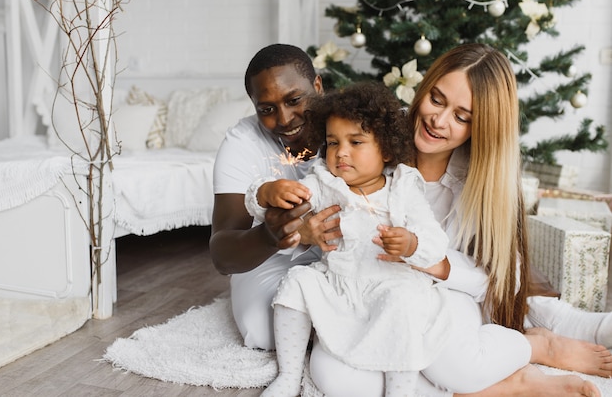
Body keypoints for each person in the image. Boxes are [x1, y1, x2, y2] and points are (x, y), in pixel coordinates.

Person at [211, 43, 609, 396]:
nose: (439, 121)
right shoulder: (373, 131)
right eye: (436, 99)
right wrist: (289, 215)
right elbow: (314, 189)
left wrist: (435, 263)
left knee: (454, 364)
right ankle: (499, 386)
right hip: (363, 290)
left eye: (462, 116)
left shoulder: (481, 177)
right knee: (334, 379)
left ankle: (539, 348)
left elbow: (504, 280)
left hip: (438, 292)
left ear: (481, 127)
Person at [246, 81, 455, 396]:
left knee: (404, 304)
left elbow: (435, 241)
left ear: (385, 148)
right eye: (332, 143)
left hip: (390, 285)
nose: (340, 152)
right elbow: (266, 212)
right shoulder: (325, 184)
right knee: (299, 279)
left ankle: (401, 391)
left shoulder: (402, 188)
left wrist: (412, 244)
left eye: (355, 142)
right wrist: (267, 192)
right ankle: (288, 376)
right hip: (340, 287)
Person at [210, 43, 340, 350]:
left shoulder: (347, 123)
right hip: (271, 259)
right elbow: (222, 256)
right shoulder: (241, 143)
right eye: (266, 109)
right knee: (263, 329)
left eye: (294, 100)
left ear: (317, 86)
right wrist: (272, 235)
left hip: (344, 252)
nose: (284, 119)